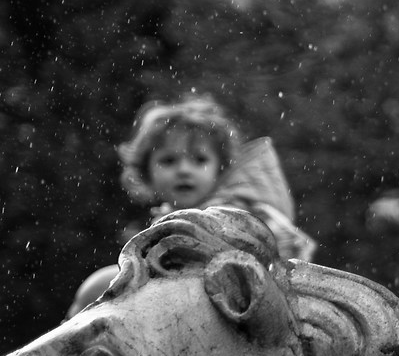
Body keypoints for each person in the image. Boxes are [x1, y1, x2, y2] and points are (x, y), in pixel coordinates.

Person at [117, 94, 316, 261]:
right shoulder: (167, 217)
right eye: (169, 161)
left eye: (199, 160)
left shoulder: (229, 214)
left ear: (220, 171)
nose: (184, 170)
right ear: (146, 173)